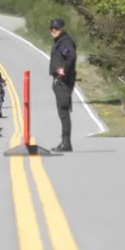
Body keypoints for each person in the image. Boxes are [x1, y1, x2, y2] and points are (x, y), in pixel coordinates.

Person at [48, 18, 77, 152]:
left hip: (63, 82)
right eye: (52, 28)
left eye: (57, 28)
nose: (54, 30)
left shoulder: (64, 42)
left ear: (62, 29)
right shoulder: (59, 41)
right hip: (60, 81)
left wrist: (63, 70)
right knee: (62, 112)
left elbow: (71, 56)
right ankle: (65, 142)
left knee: (64, 112)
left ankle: (66, 143)